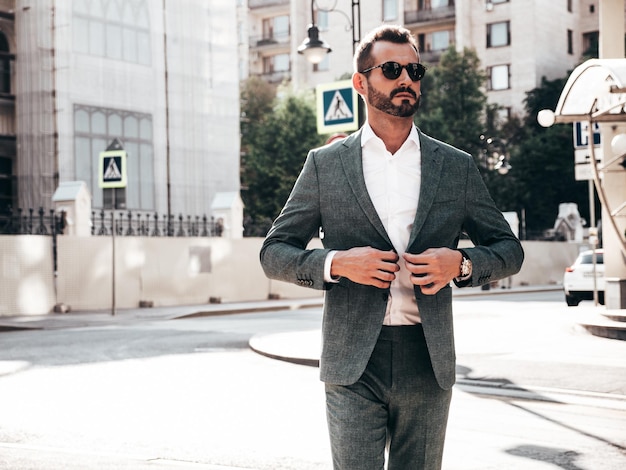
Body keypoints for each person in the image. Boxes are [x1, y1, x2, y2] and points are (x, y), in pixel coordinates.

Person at [260, 24, 524, 470]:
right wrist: (337, 264)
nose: (407, 79)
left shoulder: (454, 166)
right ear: (361, 83)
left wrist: (460, 264)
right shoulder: (325, 165)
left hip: (427, 356)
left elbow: (508, 250)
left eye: (414, 70)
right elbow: (274, 252)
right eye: (392, 69)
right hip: (352, 362)